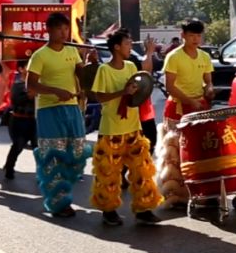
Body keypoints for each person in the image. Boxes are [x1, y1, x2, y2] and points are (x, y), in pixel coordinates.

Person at [89, 29, 163, 226]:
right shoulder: (105, 70)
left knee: (142, 171)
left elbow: (144, 79)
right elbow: (99, 97)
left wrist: (149, 52)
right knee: (108, 174)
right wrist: (123, 92)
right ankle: (109, 210)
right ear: (116, 47)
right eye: (128, 44)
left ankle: (144, 208)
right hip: (111, 129)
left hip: (133, 127)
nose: (130, 47)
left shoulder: (131, 66)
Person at [26, 12, 94, 218]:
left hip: (72, 108)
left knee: (77, 151)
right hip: (49, 111)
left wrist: (89, 65)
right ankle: (57, 202)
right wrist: (55, 91)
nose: (64, 33)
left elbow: (82, 76)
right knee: (53, 156)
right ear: (49, 30)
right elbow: (31, 86)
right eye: (59, 29)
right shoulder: (39, 56)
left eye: (66, 29)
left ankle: (65, 190)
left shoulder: (73, 51)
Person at [157, 20, 214, 208]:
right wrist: (190, 101)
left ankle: (200, 190)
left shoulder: (204, 56)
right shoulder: (173, 57)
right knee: (174, 152)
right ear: (183, 35)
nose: (195, 39)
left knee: (200, 149)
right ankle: (174, 194)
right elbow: (170, 86)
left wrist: (210, 89)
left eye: (198, 35)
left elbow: (208, 80)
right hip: (179, 107)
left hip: (199, 106)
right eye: (191, 35)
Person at [3, 65, 36, 180]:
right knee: (18, 145)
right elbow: (15, 100)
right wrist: (29, 95)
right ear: (21, 69)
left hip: (34, 120)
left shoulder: (39, 84)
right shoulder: (17, 84)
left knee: (38, 147)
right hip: (19, 119)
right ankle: (9, 167)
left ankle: (42, 173)